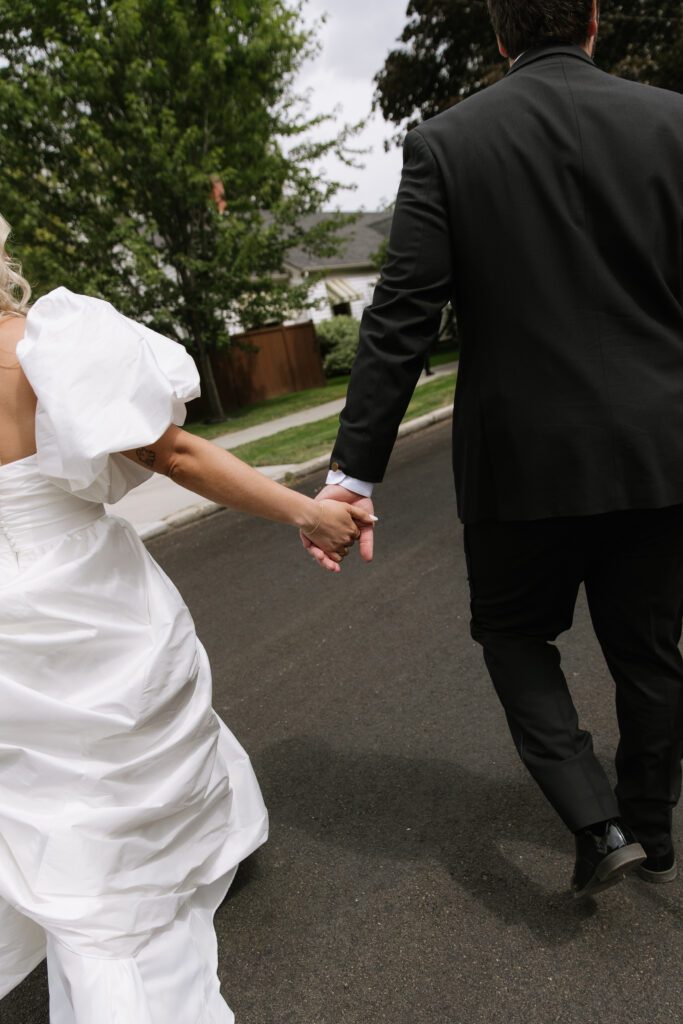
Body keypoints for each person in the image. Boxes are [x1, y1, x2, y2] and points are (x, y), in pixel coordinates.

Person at [302, 0, 683, 899]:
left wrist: (351, 476)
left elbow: (400, 318)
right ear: (592, 21)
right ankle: (652, 821)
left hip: (520, 465)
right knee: (650, 646)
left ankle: (597, 822)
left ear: (500, 35)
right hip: (658, 450)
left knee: (513, 635)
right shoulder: (670, 122)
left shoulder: (448, 142)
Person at [0, 215, 373, 1022]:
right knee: (119, 804)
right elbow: (174, 453)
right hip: (85, 600)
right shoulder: (51, 341)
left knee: (52, 813)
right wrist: (305, 513)